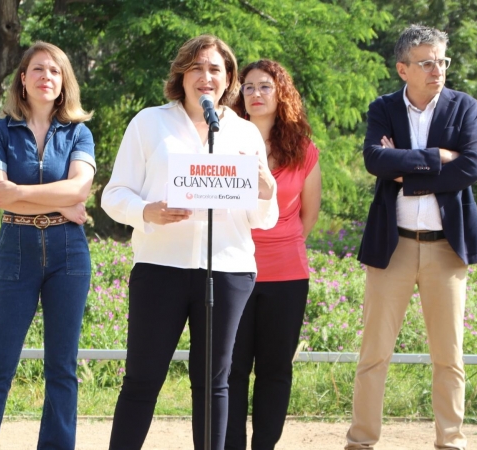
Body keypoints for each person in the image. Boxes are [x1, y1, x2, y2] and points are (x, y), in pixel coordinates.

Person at [101, 34, 279, 450]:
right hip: (161, 268)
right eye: (197, 67)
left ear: (229, 78)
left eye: (215, 69)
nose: (206, 77)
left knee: (216, 383)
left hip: (229, 270)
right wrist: (148, 211)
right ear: (181, 75)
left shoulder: (245, 134)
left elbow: (260, 218)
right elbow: (114, 194)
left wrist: (267, 189)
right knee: (142, 378)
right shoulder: (149, 122)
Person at [345, 25, 477, 450]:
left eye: (442, 61)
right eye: (426, 63)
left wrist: (408, 172)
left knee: (449, 357)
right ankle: (361, 441)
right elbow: (375, 159)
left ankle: (451, 441)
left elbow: (472, 168)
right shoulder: (383, 108)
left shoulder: (464, 107)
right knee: (374, 355)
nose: (437, 70)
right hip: (394, 246)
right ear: (403, 69)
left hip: (447, 247)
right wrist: (438, 158)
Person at [0, 41, 96, 450]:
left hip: (69, 251)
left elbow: (79, 188)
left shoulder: (78, 132)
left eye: (54, 71)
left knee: (62, 368)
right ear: (23, 78)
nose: (46, 77)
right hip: (16, 247)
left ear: (63, 80)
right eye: (38, 69)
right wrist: (63, 199)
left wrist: (21, 190)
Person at [225, 60, 321, 450]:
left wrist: (279, 245)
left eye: (265, 86)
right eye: (247, 87)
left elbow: (308, 215)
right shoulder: (224, 144)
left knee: (275, 371)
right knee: (229, 372)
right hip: (232, 271)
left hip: (287, 276)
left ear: (281, 93)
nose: (255, 94)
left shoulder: (303, 150)